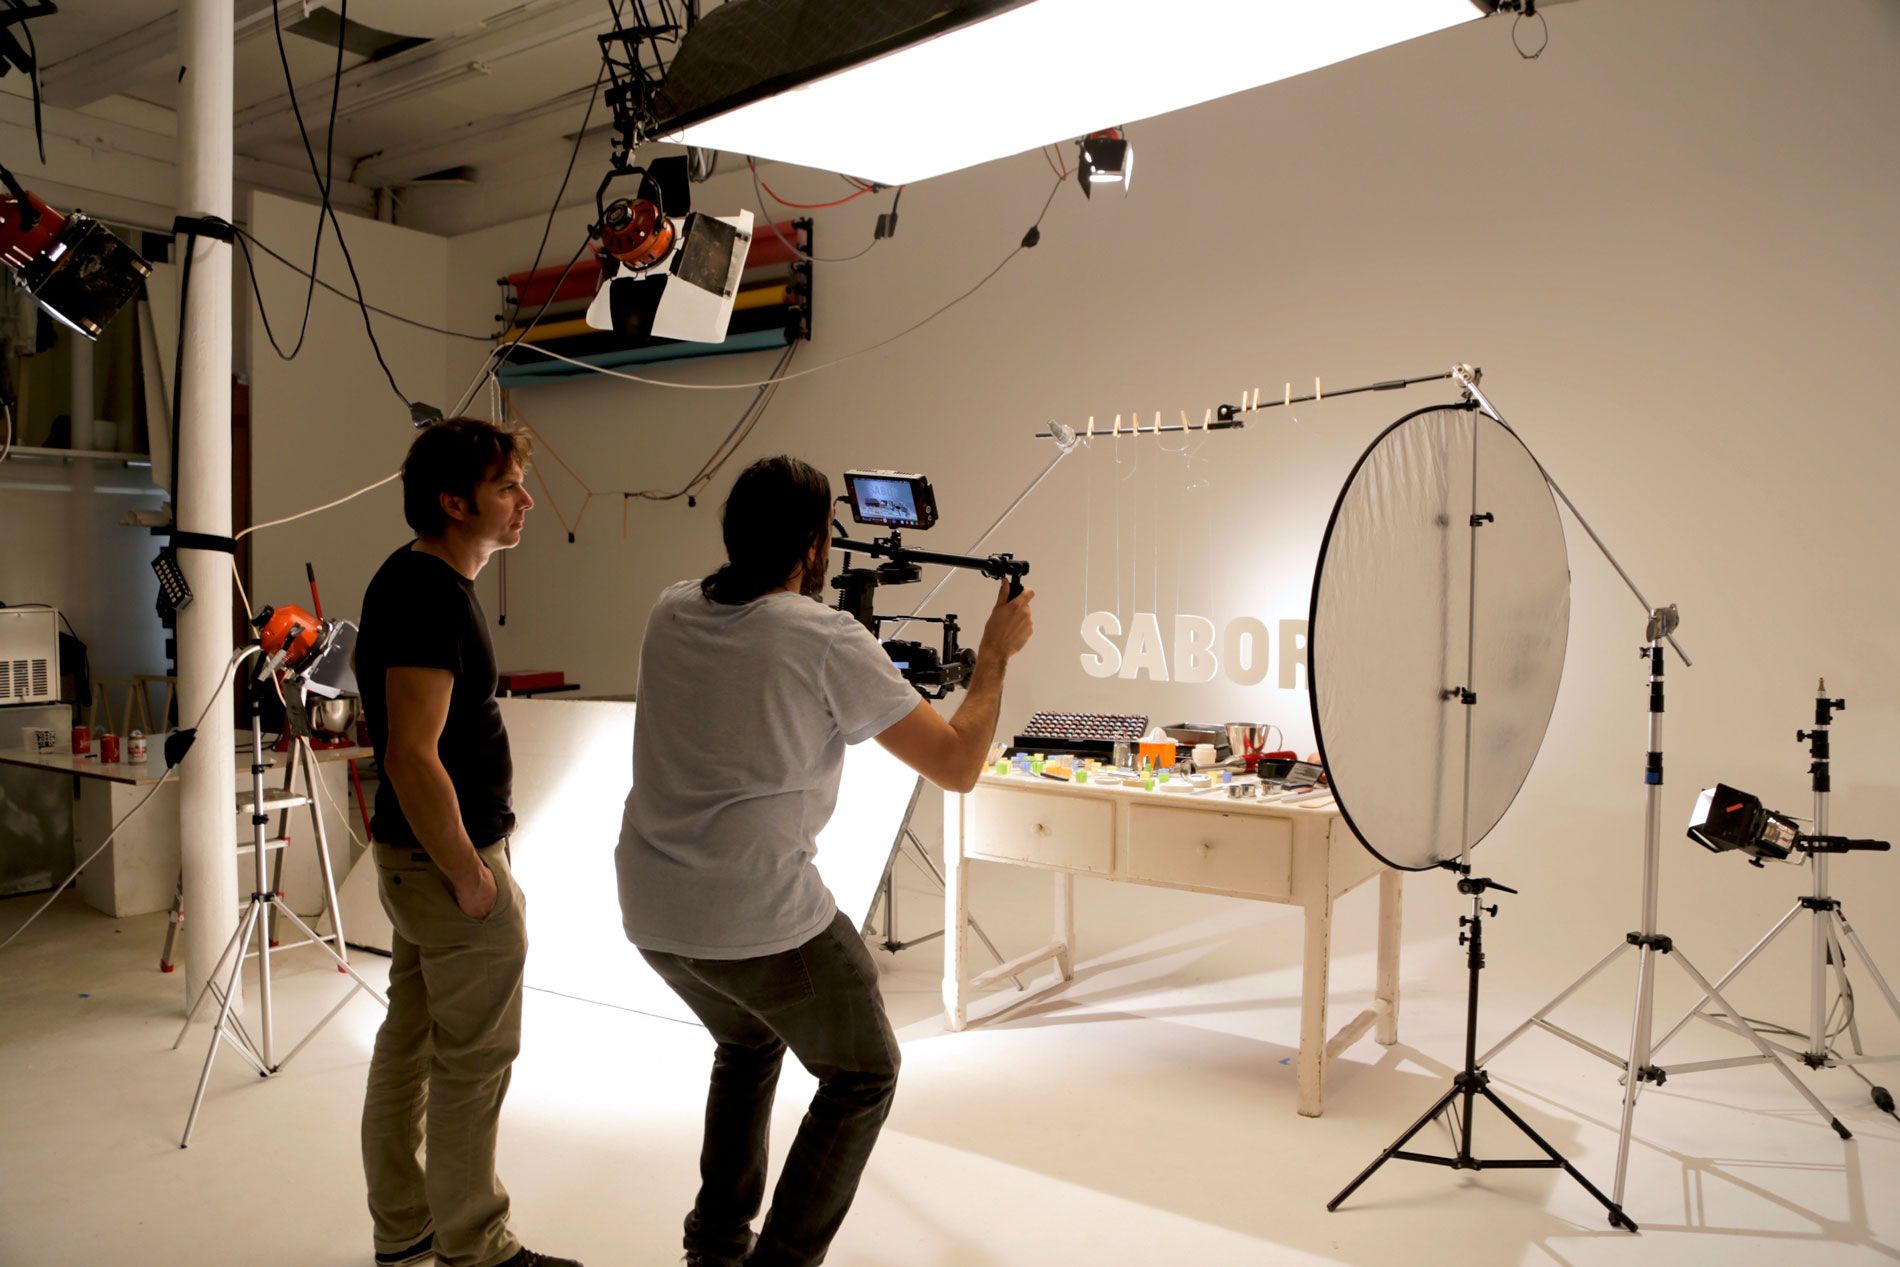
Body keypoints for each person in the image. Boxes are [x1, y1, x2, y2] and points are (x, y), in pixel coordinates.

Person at [616, 455, 1036, 1267]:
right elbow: (957, 764)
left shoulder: (671, 609)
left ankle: (714, 1248)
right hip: (759, 915)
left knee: (748, 1042)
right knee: (864, 1073)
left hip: (654, 912)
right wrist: (992, 656)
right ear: (814, 545)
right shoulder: (825, 638)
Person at [354, 417, 580, 1267]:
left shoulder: (424, 579)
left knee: (410, 1042)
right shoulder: (428, 594)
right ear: (454, 502)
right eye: (506, 487)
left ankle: (405, 1224)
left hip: (420, 862)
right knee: (472, 1061)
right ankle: (474, 1244)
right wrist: (471, 877)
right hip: (447, 866)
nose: (526, 500)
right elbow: (411, 756)